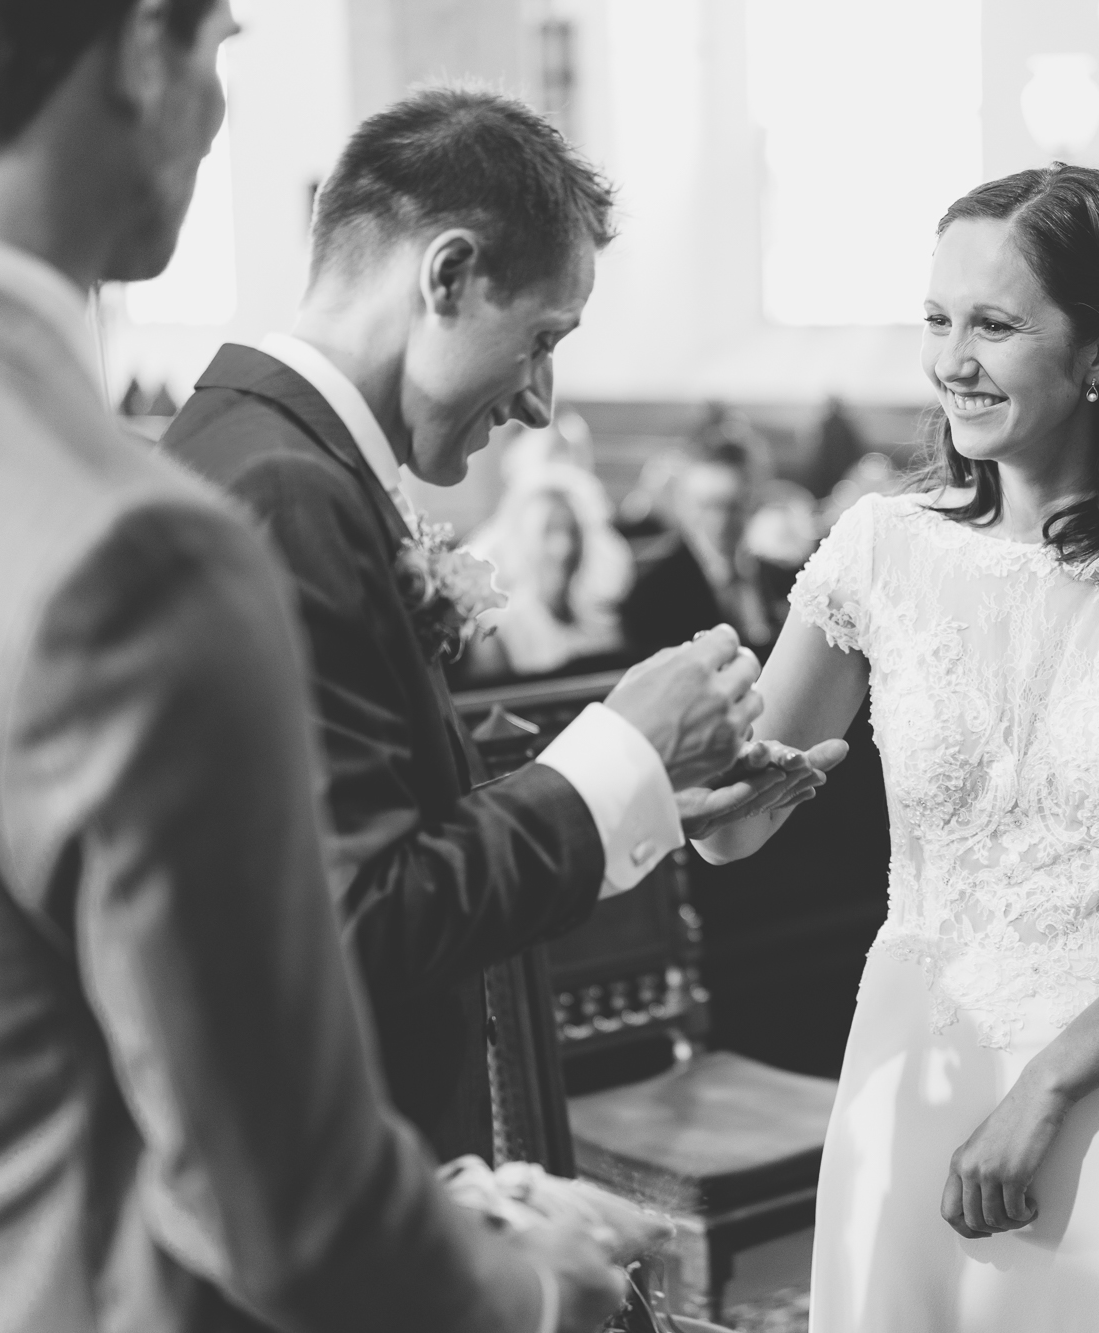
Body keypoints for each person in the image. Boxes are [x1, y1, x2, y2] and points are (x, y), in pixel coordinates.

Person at [0, 2, 627, 1330]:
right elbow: (279, 1208)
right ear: (141, 50)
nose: (220, 113)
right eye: (220, 45)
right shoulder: (128, 555)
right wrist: (535, 1283)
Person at [162, 88, 840, 1161]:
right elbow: (354, 918)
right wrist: (617, 752)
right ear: (447, 275)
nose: (537, 399)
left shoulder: (259, 450)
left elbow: (350, 826)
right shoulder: (285, 492)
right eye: (541, 339)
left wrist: (647, 788)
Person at [695, 165, 1099, 1332]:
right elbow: (732, 833)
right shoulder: (880, 548)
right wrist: (691, 767)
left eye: (993, 323)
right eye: (936, 319)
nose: (950, 361)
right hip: (914, 1073)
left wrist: (1047, 1088)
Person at [464, 463, 632, 680]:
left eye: (572, 532)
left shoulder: (604, 624)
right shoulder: (497, 630)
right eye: (548, 532)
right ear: (524, 540)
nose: (563, 548)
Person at [620, 436, 780, 650]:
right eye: (708, 506)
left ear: (753, 504)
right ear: (686, 506)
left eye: (733, 506)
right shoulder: (652, 595)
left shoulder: (778, 576)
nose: (721, 521)